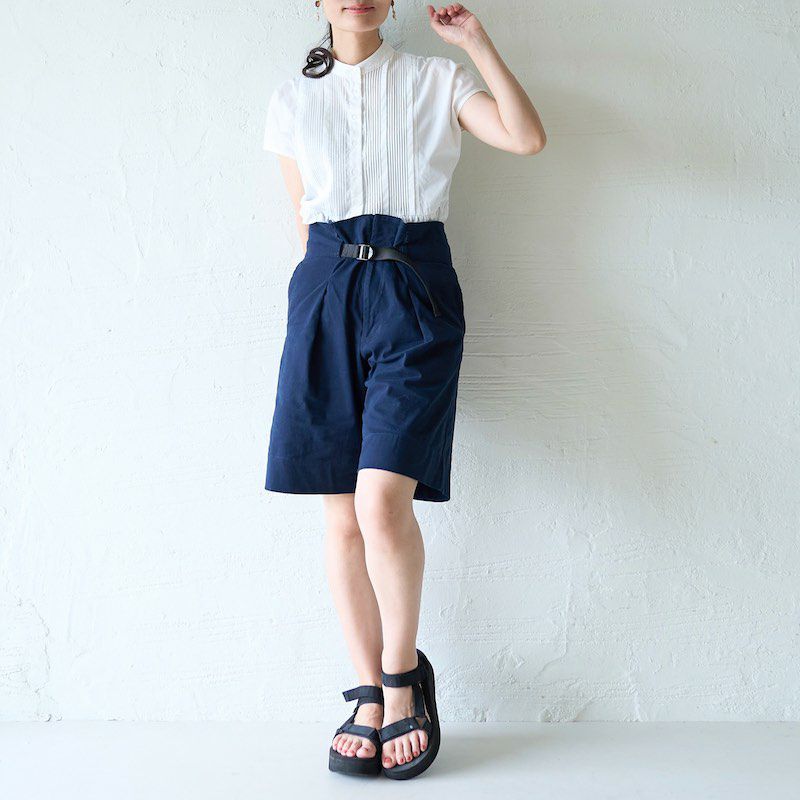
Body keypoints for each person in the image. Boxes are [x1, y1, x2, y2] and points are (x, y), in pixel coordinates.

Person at [261, 1, 546, 780]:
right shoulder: (291, 99)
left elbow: (525, 137)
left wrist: (476, 41)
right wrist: (325, 302)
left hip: (415, 290)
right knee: (339, 514)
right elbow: (303, 223)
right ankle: (365, 690)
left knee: (382, 502)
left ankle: (401, 680)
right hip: (324, 291)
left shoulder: (435, 78)